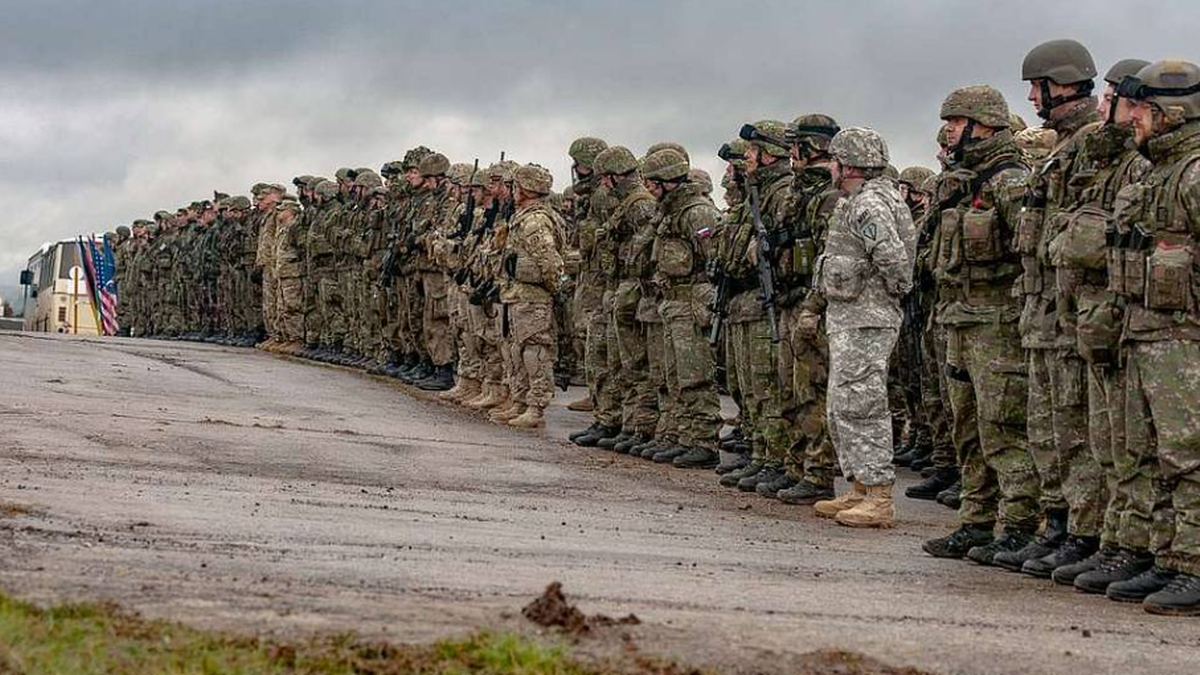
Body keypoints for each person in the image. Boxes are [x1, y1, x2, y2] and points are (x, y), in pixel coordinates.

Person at [921, 86, 1040, 561]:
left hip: (998, 325)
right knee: (967, 428)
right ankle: (976, 520)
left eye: (956, 121)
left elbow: (1031, 255)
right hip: (958, 319)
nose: (949, 130)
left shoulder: (1010, 181)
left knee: (1003, 427)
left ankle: (1020, 524)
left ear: (984, 124)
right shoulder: (961, 181)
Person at [811, 127, 916, 528]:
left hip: (867, 319)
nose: (830, 168)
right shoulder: (859, 200)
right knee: (844, 404)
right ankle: (859, 488)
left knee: (863, 404)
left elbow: (895, 263)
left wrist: (888, 297)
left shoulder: (870, 203)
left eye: (834, 160)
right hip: (854, 317)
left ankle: (878, 496)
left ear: (849, 164)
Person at [497, 164, 566, 429]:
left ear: (525, 189)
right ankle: (520, 400)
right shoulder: (523, 216)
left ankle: (535, 406)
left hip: (533, 297)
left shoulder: (535, 220)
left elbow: (550, 261)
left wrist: (552, 289)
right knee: (516, 350)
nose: (512, 191)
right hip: (517, 295)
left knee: (534, 352)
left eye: (515, 187)